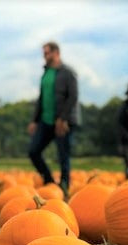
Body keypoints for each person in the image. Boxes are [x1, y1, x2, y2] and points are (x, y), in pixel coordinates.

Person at [27, 41, 80, 198]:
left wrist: (63, 118)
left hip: (63, 121)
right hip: (46, 120)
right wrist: (34, 120)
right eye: (44, 53)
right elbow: (42, 98)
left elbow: (73, 97)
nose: (45, 56)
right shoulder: (46, 73)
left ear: (56, 53)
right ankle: (49, 181)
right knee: (33, 151)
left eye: (47, 53)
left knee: (63, 154)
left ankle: (64, 186)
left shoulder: (68, 72)